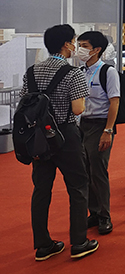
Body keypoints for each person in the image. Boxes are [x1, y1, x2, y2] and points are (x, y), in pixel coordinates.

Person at [21, 24, 99, 261]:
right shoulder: (73, 73)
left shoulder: (32, 72)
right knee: (78, 186)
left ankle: (43, 245)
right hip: (66, 135)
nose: (75, 46)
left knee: (41, 189)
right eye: (74, 41)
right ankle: (79, 241)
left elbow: (25, 104)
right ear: (66, 44)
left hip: (38, 138)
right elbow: (78, 108)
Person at [76, 31, 119, 235]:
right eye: (79, 45)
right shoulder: (80, 72)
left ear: (96, 50)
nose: (80, 50)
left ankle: (104, 215)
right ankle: (93, 212)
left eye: (84, 46)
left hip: (100, 124)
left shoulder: (107, 72)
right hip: (82, 125)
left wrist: (108, 130)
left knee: (98, 171)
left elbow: (114, 102)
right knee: (85, 171)